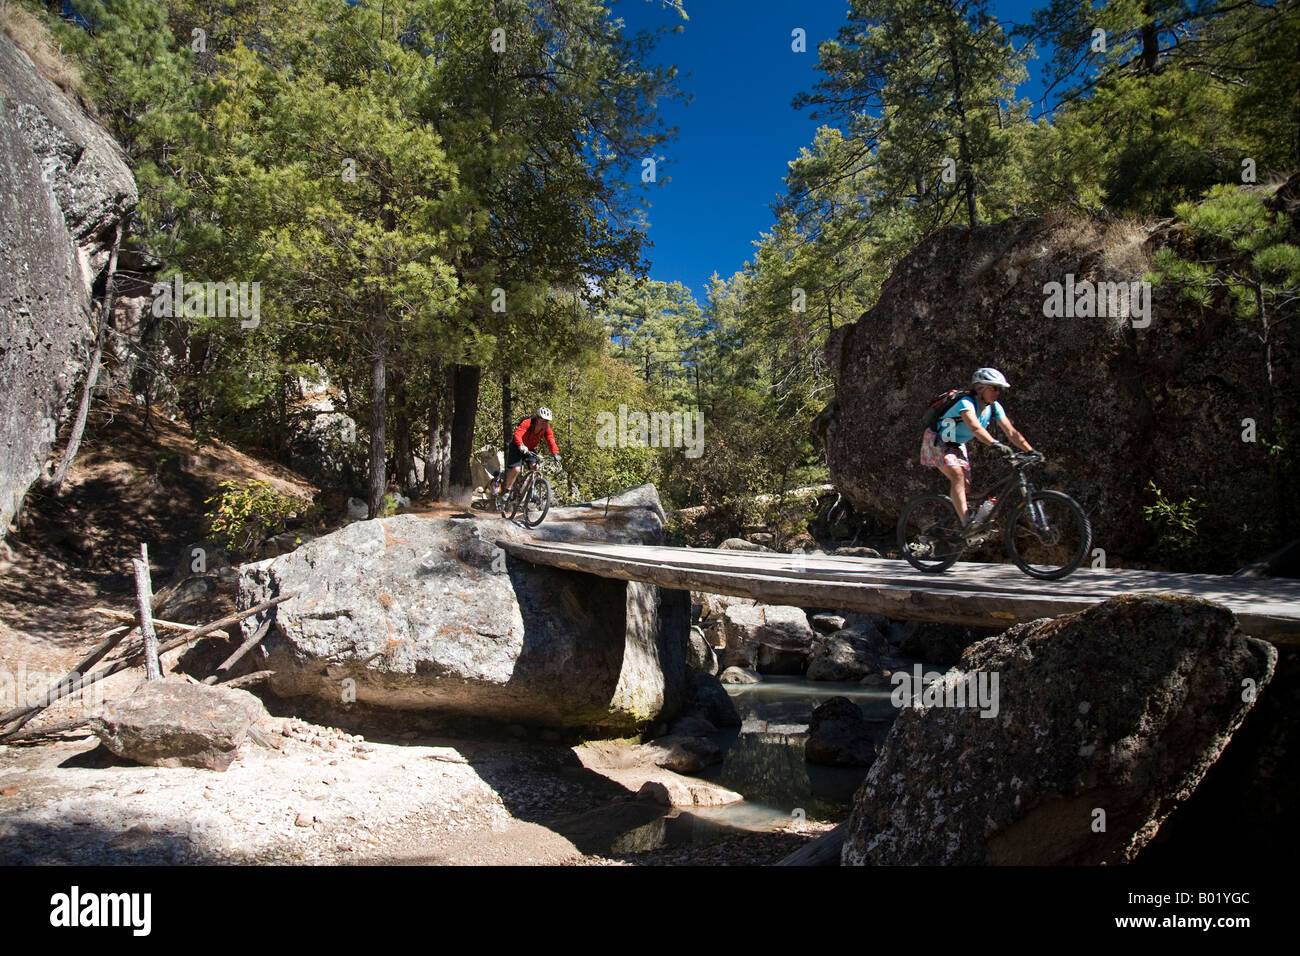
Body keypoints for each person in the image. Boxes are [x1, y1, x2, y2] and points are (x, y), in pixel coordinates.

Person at [919, 368, 1035, 526]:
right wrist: (995, 444)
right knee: (957, 475)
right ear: (980, 388)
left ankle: (964, 527)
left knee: (966, 487)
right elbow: (975, 428)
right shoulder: (965, 403)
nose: (997, 392)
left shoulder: (994, 407)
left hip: (956, 444)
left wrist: (1030, 451)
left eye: (999, 389)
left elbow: (1011, 432)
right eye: (994, 388)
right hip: (937, 441)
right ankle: (966, 522)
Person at [494, 406, 560, 498]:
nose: (545, 422)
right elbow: (518, 433)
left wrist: (555, 453)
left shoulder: (546, 428)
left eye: (547, 420)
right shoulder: (528, 422)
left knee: (536, 468)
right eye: (543, 419)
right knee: (517, 469)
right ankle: (507, 490)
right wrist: (521, 444)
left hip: (530, 449)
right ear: (538, 418)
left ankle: (524, 487)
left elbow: (550, 440)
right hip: (517, 447)